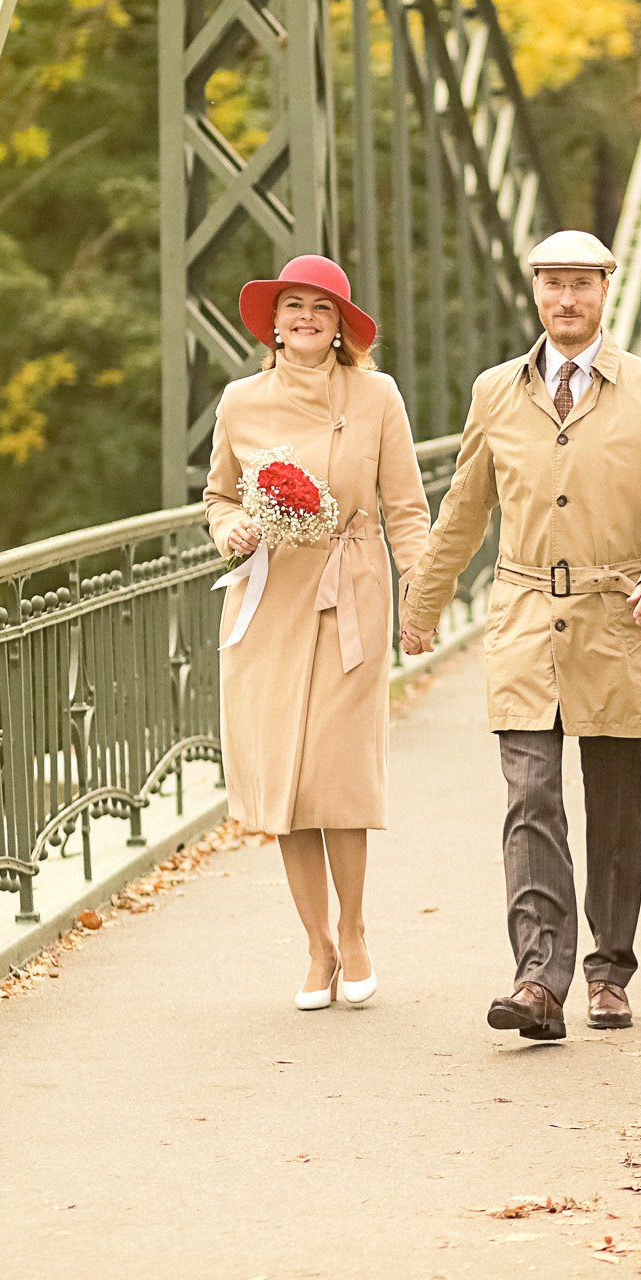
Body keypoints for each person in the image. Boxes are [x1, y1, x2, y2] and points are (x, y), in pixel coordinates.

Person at [398, 230, 641, 1042]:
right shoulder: (497, 392)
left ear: (606, 290)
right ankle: (539, 980)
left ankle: (610, 969)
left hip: (619, 615)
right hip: (525, 620)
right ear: (534, 292)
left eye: (580, 283)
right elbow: (466, 506)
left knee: (614, 803)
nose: (565, 299)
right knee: (531, 795)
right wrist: (422, 603)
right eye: (551, 284)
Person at [205, 254, 431, 1011]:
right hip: (267, 600)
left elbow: (406, 507)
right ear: (272, 322)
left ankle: (357, 929)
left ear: (341, 328)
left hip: (350, 590)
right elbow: (217, 496)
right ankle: (317, 947)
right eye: (292, 305)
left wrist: (421, 598)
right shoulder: (240, 401)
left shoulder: (375, 396)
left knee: (335, 772)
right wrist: (233, 524)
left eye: (322, 308)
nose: (305, 317)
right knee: (285, 780)